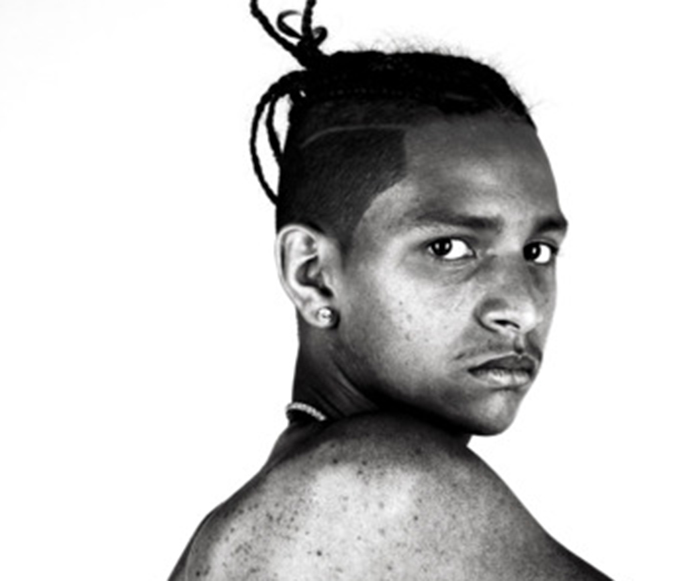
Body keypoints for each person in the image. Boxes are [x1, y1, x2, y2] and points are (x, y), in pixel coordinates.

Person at [168, 1, 610, 578]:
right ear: (313, 275)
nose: (523, 308)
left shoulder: (271, 512)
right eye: (449, 248)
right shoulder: (376, 487)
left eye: (538, 252)